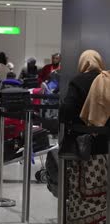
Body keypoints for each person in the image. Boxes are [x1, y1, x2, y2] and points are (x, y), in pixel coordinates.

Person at [61, 50, 110, 224]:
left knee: (80, 188)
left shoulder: (78, 81)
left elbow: (66, 111)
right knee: (105, 189)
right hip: (105, 146)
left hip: (83, 147)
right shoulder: (108, 79)